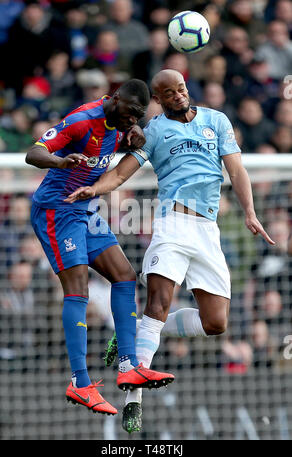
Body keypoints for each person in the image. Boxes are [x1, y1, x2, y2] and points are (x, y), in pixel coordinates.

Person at [65, 69, 275, 432]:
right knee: (158, 304)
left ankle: (129, 332)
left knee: (215, 323)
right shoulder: (155, 130)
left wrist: (250, 213)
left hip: (208, 230)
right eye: (168, 92)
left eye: (181, 88)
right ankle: (134, 399)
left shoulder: (217, 120)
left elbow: (237, 171)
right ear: (158, 100)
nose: (178, 95)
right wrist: (95, 189)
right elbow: (121, 174)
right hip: (172, 225)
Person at [25, 78, 174, 417]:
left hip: (84, 209)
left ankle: (127, 365)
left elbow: (119, 138)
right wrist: (59, 162)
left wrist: (130, 136)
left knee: (124, 275)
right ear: (115, 98)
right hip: (56, 210)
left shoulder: (120, 123)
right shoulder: (81, 120)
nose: (133, 120)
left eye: (139, 116)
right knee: (77, 290)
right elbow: (33, 153)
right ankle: (79, 383)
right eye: (131, 113)